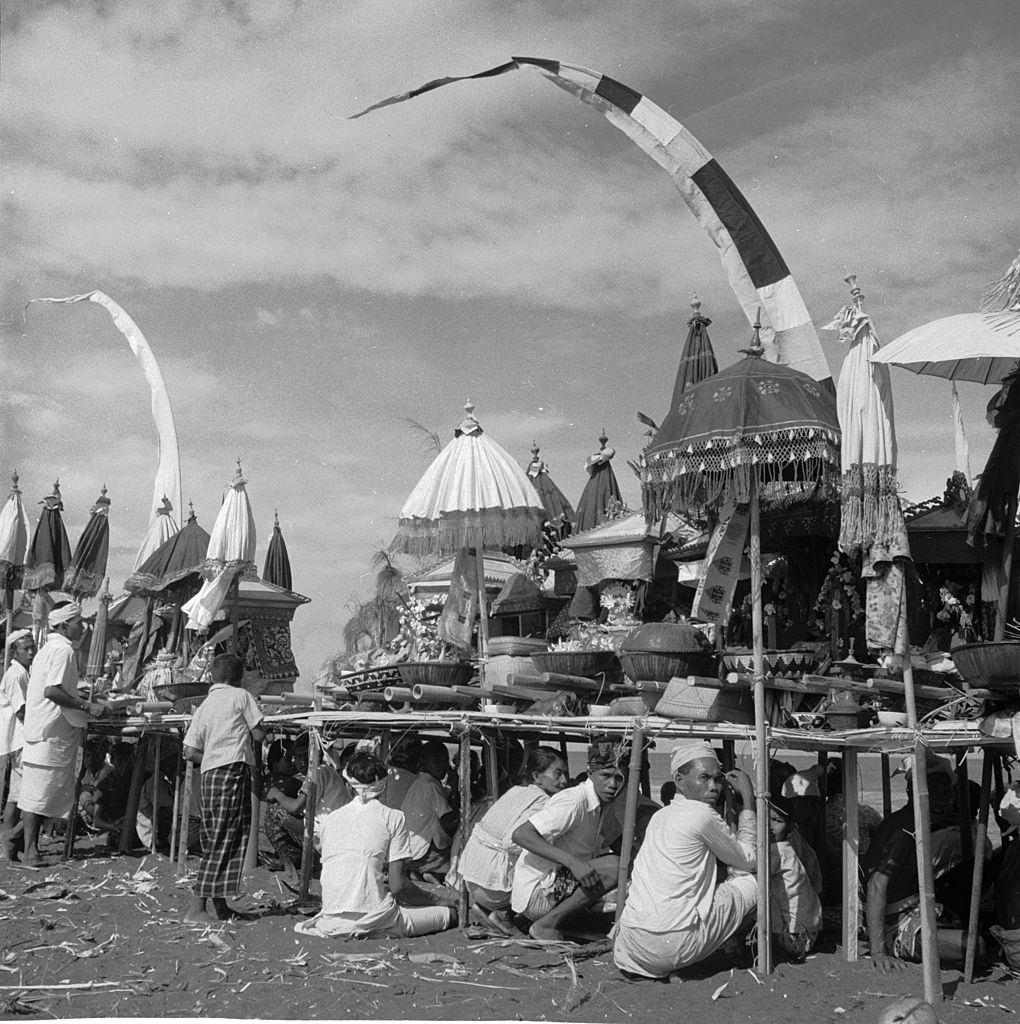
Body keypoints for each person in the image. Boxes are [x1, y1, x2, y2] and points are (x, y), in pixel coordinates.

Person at [613, 740, 758, 980]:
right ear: (680, 781)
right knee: (751, 880)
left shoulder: (661, 816)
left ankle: (683, 962)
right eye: (704, 778)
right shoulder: (701, 814)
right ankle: (713, 955)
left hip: (631, 945)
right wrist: (749, 800)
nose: (714, 787)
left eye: (717, 779)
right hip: (672, 946)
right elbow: (749, 860)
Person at [294, 750, 458, 939]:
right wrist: (438, 900)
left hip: (331, 919)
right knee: (450, 914)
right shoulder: (393, 818)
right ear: (382, 786)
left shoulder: (330, 820)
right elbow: (398, 887)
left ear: (348, 786)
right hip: (377, 920)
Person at [863, 751, 975, 971]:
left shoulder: (915, 821)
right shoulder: (905, 830)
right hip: (897, 924)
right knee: (973, 945)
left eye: (946, 792)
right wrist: (878, 951)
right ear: (913, 792)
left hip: (913, 908)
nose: (945, 798)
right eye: (935, 792)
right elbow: (876, 885)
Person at [17, 604, 107, 866]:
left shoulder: (48, 650)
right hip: (49, 733)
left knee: (41, 794)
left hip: (42, 731)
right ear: (64, 625)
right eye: (78, 622)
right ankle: (30, 851)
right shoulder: (63, 650)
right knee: (38, 795)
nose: (82, 627)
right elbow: (52, 692)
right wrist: (87, 705)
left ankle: (16, 840)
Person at [510, 738, 624, 940]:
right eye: (606, 776)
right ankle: (546, 925)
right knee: (615, 867)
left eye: (619, 778)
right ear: (590, 774)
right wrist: (573, 863)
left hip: (554, 885)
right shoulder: (574, 801)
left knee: (621, 865)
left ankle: (565, 920)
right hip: (538, 893)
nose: (612, 784)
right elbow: (521, 834)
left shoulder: (601, 804)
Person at [183, 653, 264, 924]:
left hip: (209, 774)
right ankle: (196, 908)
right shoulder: (241, 696)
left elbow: (190, 751)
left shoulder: (205, 705)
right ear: (238, 677)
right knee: (224, 837)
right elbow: (260, 733)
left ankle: (219, 904)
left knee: (218, 835)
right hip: (232, 771)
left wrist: (212, 755)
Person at [457, 746, 568, 934]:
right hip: (494, 886)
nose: (564, 781)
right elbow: (513, 841)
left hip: (472, 876)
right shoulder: (543, 802)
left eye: (565, 774)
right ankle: (504, 913)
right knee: (556, 870)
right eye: (558, 774)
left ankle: (490, 909)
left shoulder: (516, 791)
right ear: (536, 776)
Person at [768, 796, 822, 959]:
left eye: (777, 821)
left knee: (752, 887)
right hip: (808, 933)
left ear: (790, 828)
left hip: (795, 939)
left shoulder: (777, 852)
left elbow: (751, 871)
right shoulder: (788, 850)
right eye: (765, 818)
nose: (769, 826)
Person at [0, 629, 35, 860]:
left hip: (15, 741)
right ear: (14, 652)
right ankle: (12, 839)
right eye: (26, 649)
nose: (31, 653)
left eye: (32, 648)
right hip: (20, 739)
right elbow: (22, 710)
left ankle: (8, 849)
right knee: (32, 795)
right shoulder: (16, 674)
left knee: (15, 795)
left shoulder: (21, 672)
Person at [401, 740, 457, 878]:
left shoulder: (421, 782)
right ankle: (433, 874)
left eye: (445, 761)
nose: (442, 766)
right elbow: (447, 820)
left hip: (410, 850)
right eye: (436, 761)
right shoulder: (431, 786)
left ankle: (422, 874)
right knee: (457, 866)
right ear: (424, 762)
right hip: (425, 854)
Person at [263, 740, 306, 879]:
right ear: (275, 764)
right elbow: (295, 807)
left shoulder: (265, 780)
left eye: (295, 758)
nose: (294, 763)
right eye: (288, 760)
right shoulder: (290, 783)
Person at [92, 742, 134, 849]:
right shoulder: (105, 784)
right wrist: (113, 826)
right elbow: (97, 821)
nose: (123, 765)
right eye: (120, 760)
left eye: (127, 761)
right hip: (115, 826)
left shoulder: (136, 780)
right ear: (112, 761)